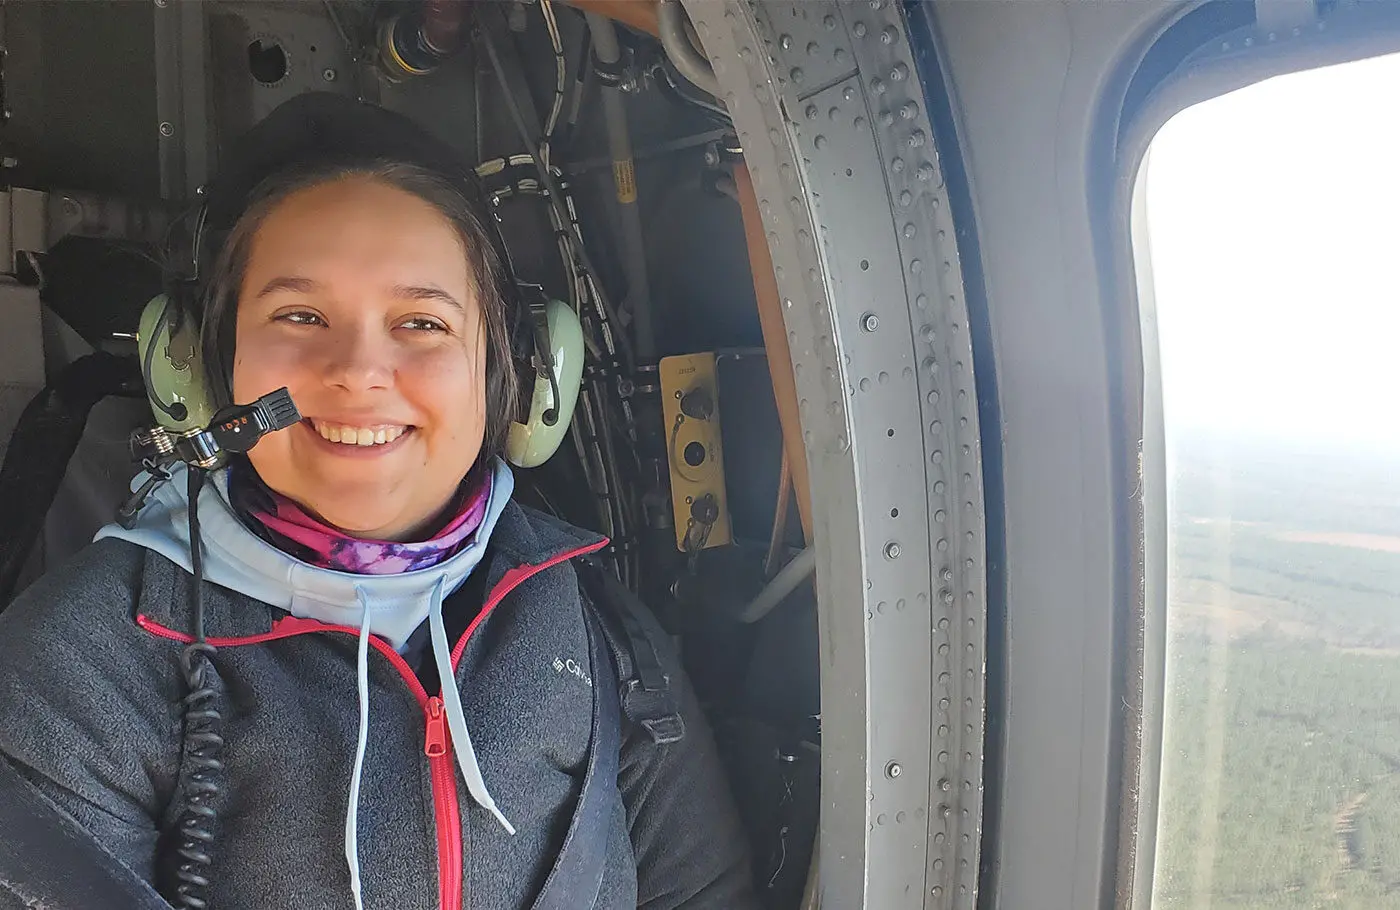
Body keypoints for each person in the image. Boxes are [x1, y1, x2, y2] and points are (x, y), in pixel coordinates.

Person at [0, 93, 759, 910]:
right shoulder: (83, 662)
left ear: (519, 375)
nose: (359, 370)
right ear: (198, 369)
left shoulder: (597, 624)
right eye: (300, 315)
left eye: (422, 323)